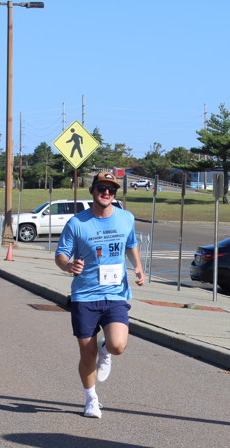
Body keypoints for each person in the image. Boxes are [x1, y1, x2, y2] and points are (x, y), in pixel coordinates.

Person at [55, 171, 145, 418]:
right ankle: (91, 399)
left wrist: (138, 266)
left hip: (115, 293)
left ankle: (106, 351)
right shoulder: (77, 223)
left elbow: (131, 244)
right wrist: (68, 266)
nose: (106, 193)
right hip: (85, 296)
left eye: (111, 190)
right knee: (87, 355)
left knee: (117, 345)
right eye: (102, 188)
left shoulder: (126, 218)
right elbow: (61, 254)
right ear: (92, 191)